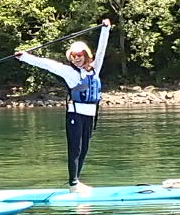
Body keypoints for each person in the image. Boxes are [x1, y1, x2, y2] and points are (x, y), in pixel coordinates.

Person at [15, 18, 112, 191]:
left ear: (86, 56)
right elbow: (48, 64)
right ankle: (73, 183)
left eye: (79, 56)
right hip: (75, 114)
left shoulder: (95, 69)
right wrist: (25, 57)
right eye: (73, 56)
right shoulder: (69, 72)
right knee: (75, 148)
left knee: (84, 149)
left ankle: (77, 182)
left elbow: (102, 49)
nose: (76, 59)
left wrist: (106, 29)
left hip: (91, 114)